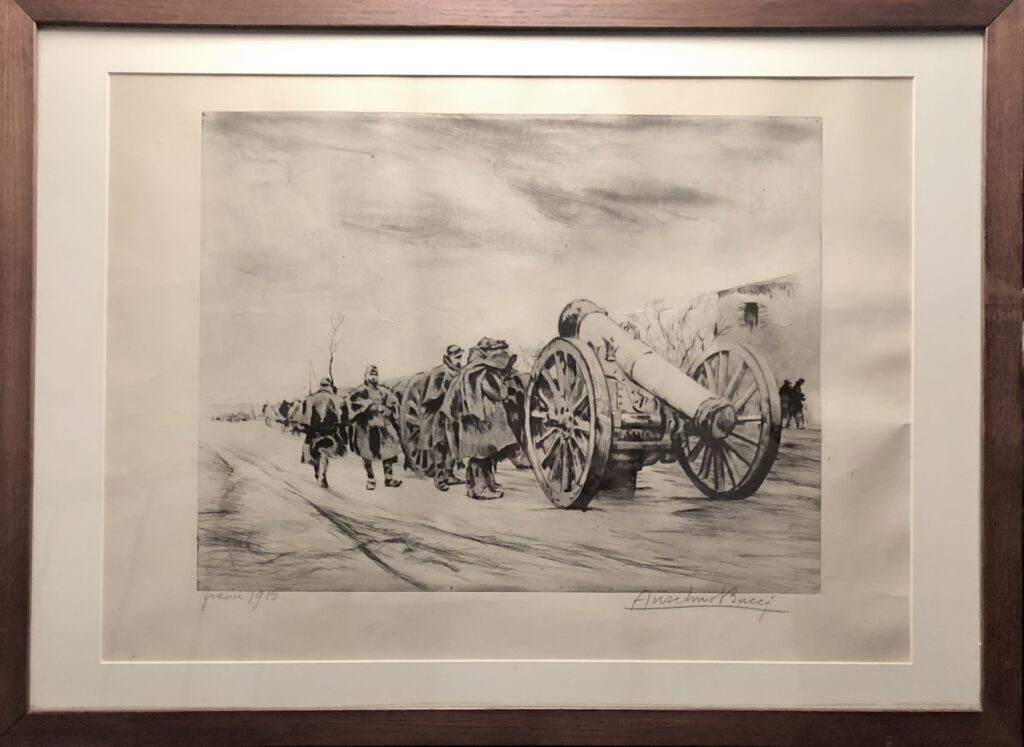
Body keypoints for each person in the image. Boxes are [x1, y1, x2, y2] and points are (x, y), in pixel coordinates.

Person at [442, 337, 519, 500]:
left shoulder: (473, 369)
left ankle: (484, 484)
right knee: (481, 454)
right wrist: (507, 391)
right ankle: (480, 489)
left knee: (485, 454)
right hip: (480, 421)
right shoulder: (482, 372)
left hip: (479, 420)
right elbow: (497, 393)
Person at [347, 365, 403, 490]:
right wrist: (368, 405)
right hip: (365, 427)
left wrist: (386, 409)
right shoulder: (361, 391)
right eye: (371, 374)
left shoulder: (383, 391)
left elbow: (394, 403)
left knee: (388, 452)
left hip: (382, 426)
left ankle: (389, 478)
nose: (374, 377)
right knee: (366, 453)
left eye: (375, 374)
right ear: (366, 376)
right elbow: (350, 403)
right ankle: (370, 479)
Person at [422, 345, 464, 491]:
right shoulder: (439, 372)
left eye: (460, 357)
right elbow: (431, 395)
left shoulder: (460, 372)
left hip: (454, 414)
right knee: (440, 445)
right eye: (457, 357)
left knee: (454, 444)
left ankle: (449, 474)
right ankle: (439, 478)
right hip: (440, 415)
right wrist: (444, 391)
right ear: (449, 357)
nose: (459, 360)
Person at [298, 378, 346, 488]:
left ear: (320, 386)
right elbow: (342, 417)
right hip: (330, 431)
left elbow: (305, 418)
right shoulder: (338, 399)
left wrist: (304, 427)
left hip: (314, 432)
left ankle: (318, 473)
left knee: (314, 453)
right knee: (323, 453)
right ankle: (321, 474)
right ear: (330, 386)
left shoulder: (310, 398)